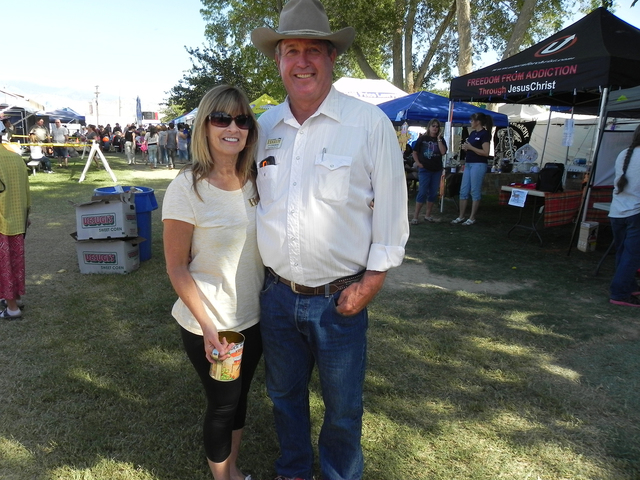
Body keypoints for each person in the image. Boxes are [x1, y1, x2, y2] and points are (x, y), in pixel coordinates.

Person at [250, 1, 409, 479]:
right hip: (277, 296)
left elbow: (393, 209)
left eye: (313, 50)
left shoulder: (368, 123)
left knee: (342, 408)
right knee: (283, 396)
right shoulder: (264, 127)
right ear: (277, 60)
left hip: (341, 300)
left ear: (332, 57)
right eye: (291, 51)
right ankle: (294, 471)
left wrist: (372, 282)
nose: (302, 61)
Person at [162, 85, 263, 480]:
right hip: (213, 323)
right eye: (221, 118)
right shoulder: (187, 188)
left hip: (253, 316)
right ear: (204, 126)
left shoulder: (255, 179)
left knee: (239, 399)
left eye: (242, 120)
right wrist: (208, 328)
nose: (232, 127)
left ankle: (232, 469)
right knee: (223, 404)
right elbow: (176, 267)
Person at [608, 124, 640, 308]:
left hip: (618, 211)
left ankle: (628, 286)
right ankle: (620, 293)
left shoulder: (624, 154)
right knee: (632, 255)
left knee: (623, 252)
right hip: (636, 212)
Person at [0, 134, 31, 319]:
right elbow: (26, 188)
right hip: (18, 217)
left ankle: (12, 308)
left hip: (2, 220)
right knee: (16, 261)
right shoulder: (16, 157)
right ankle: (16, 299)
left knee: (3, 265)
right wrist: (27, 214)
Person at [451, 112, 493, 226]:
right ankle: (461, 216)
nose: (470, 122)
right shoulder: (473, 133)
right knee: (463, 190)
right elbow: (471, 147)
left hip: (478, 164)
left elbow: (486, 152)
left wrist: (471, 147)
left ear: (477, 122)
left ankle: (472, 217)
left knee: (474, 190)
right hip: (469, 163)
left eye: (472, 120)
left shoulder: (485, 134)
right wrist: (466, 148)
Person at [411, 119, 447, 224]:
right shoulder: (422, 138)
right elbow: (414, 152)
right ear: (429, 127)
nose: (435, 128)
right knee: (422, 192)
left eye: (437, 126)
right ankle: (415, 216)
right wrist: (418, 163)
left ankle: (428, 215)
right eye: (433, 126)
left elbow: (443, 152)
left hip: (436, 169)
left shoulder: (441, 139)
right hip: (425, 169)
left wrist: (439, 140)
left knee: (433, 193)